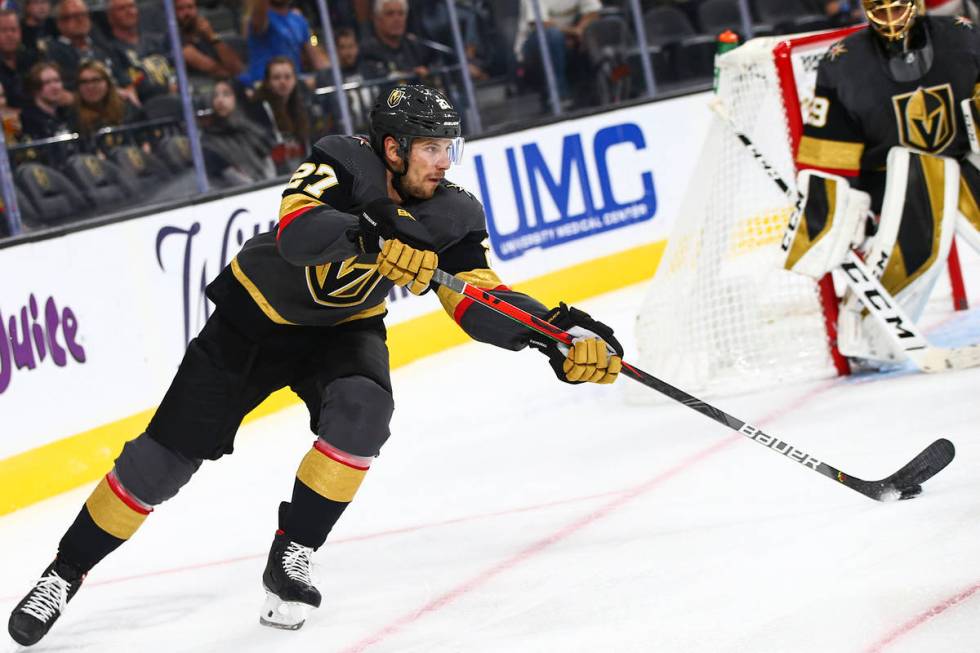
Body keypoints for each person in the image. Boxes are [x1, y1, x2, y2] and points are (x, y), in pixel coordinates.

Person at [6, 83, 624, 646]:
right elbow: (298, 232)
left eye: (449, 148)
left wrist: (557, 333)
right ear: (392, 147)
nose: (445, 162)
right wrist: (372, 235)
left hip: (341, 329)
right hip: (253, 320)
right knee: (159, 465)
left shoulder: (453, 212)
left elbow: (480, 301)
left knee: (364, 414)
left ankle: (293, 550)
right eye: (432, 148)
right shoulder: (340, 159)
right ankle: (63, 573)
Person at [789, 0, 980, 364]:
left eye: (897, 8)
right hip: (888, 185)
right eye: (882, 10)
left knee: (938, 176)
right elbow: (827, 154)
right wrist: (830, 213)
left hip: (958, 163)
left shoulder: (962, 36)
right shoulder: (843, 62)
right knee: (919, 219)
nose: (891, 19)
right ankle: (865, 331)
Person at [515, 0, 601, 105]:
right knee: (553, 36)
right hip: (534, 47)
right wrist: (572, 33)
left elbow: (593, 12)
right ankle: (559, 96)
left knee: (604, 24)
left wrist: (580, 30)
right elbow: (541, 24)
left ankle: (609, 88)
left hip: (570, 39)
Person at [41, 0, 129, 96]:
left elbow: (124, 73)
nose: (80, 20)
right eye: (74, 16)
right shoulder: (55, 52)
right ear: (60, 23)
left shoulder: (101, 44)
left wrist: (130, 88)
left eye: (84, 14)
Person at [202, 78, 276, 185]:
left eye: (226, 94)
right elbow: (233, 179)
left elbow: (268, 161)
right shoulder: (209, 143)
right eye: (215, 96)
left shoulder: (252, 130)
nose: (220, 100)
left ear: (237, 98)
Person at [240, 0, 329, 87]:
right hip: (264, 85)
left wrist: (332, 74)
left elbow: (318, 57)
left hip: (292, 85)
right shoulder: (261, 17)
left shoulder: (298, 19)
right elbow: (257, 11)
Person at [245, 55, 310, 172]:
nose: (283, 82)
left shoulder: (302, 105)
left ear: (295, 80)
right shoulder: (258, 109)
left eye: (287, 77)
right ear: (267, 82)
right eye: (276, 77)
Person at [103, 0, 173, 101]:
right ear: (110, 17)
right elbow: (129, 84)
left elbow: (176, 66)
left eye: (131, 6)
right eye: (122, 9)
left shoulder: (158, 41)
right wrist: (166, 89)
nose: (129, 11)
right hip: (148, 105)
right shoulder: (110, 50)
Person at [69, 59, 140, 147]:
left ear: (107, 83)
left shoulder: (126, 108)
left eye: (96, 80)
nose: (90, 86)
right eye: (84, 82)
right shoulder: (73, 116)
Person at [360, 0, 436, 79]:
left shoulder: (415, 45)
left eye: (401, 13)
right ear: (377, 19)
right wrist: (412, 74)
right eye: (390, 14)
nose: (397, 19)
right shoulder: (368, 51)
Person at [176, 0, 245, 82]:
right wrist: (232, 75)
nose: (187, 13)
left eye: (190, 7)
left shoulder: (206, 34)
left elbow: (237, 68)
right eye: (181, 9)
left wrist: (212, 37)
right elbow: (209, 67)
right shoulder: (173, 38)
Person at [19, 60, 72, 140]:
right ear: (35, 88)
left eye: (57, 80)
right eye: (47, 82)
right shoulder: (28, 119)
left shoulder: (67, 113)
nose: (54, 87)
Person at [0, 8, 37, 109]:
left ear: (20, 32)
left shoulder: (33, 60)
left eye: (13, 29)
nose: (10, 35)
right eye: (3, 30)